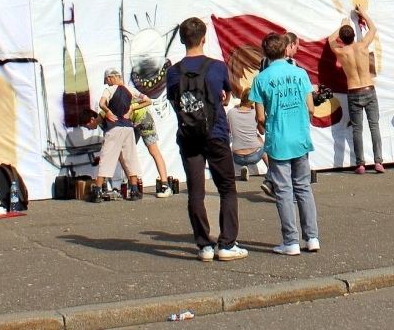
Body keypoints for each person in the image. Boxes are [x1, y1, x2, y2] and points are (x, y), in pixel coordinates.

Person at [165, 17, 246, 261]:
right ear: (204, 38)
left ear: (181, 40)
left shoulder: (173, 72)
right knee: (227, 188)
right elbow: (227, 96)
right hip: (216, 133)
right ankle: (227, 244)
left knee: (195, 191)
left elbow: (174, 103)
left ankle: (204, 245)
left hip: (188, 135)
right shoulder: (217, 67)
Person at [253, 32, 319, 256]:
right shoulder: (300, 73)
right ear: (285, 50)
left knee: (283, 191)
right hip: (299, 136)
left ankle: (290, 240)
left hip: (278, 139)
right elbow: (311, 107)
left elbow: (260, 117)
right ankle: (312, 237)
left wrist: (265, 128)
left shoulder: (261, 79)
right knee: (303, 187)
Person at [329, 6, 384, 173]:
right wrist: (363, 14)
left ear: (342, 38)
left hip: (353, 91)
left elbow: (331, 40)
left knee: (357, 128)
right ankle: (378, 161)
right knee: (374, 126)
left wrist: (341, 27)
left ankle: (360, 163)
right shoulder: (362, 46)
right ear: (354, 36)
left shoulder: (341, 51)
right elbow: (373, 29)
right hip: (368, 88)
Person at [95, 69, 142, 200]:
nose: (106, 83)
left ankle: (97, 190)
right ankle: (134, 190)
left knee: (106, 157)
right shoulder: (129, 89)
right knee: (131, 157)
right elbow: (148, 100)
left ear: (110, 78)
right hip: (128, 127)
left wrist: (107, 111)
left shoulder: (109, 90)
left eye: (106, 80)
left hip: (114, 127)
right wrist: (132, 108)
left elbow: (101, 103)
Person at [128, 92, 177, 198]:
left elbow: (147, 100)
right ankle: (133, 185)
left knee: (153, 150)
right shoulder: (109, 95)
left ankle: (165, 184)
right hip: (130, 123)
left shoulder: (128, 90)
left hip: (144, 119)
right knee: (127, 153)